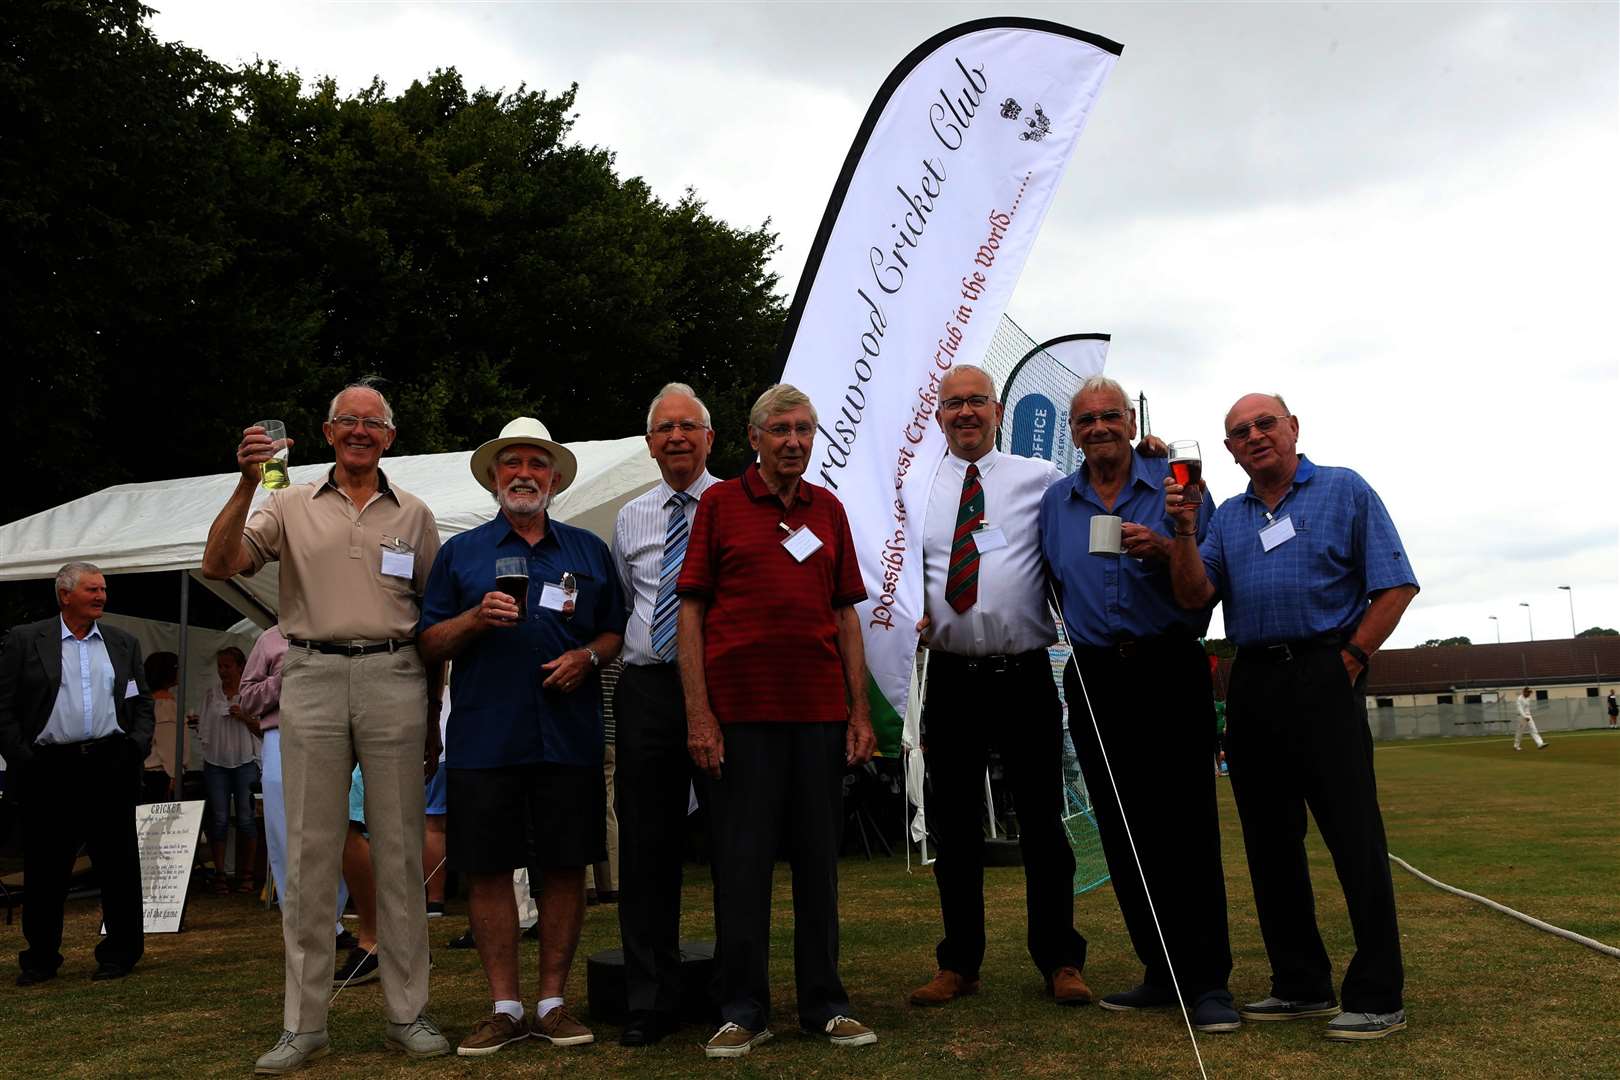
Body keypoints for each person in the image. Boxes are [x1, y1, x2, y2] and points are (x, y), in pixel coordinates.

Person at [201, 381, 448, 1071]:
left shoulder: (418, 515)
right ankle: (303, 1025)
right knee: (311, 852)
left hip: (395, 674)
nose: (361, 431)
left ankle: (410, 1012)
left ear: (391, 437)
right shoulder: (285, 501)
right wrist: (244, 484)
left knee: (400, 849)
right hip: (307, 673)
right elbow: (219, 564)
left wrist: (431, 715)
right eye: (348, 421)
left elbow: (432, 622)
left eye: (374, 423)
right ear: (328, 431)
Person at [1167, 392, 1418, 1042]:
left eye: (1264, 424)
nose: (1254, 436)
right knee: (1270, 845)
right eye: (1239, 432)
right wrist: (1186, 530)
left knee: (1353, 838)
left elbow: (1396, 584)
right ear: (1227, 451)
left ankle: (1378, 993)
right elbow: (1196, 595)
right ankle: (1301, 982)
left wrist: (1354, 657)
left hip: (1325, 671)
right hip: (1252, 680)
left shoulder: (1343, 491)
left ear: (1292, 428)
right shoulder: (1229, 519)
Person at [677, 383, 878, 1058]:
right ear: (754, 437)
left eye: (804, 430)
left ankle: (825, 1004)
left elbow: (847, 614)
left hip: (818, 718)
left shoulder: (831, 511)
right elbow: (691, 612)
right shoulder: (719, 505)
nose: (794, 441)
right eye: (781, 429)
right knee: (741, 869)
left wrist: (859, 713)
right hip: (739, 722)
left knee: (819, 867)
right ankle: (742, 1008)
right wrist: (699, 715)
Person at [418, 416, 627, 1057]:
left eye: (537, 464)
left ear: (555, 478)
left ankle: (553, 1003)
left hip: (568, 737)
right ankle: (505, 1006)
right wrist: (476, 618)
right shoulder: (462, 553)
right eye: (513, 464)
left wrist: (587, 659)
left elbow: (615, 630)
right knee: (486, 871)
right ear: (494, 477)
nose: (525, 474)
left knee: (566, 867)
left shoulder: (587, 551)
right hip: (486, 738)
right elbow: (428, 641)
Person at [1038, 375, 1237, 1033]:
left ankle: (1207, 984)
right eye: (1085, 419)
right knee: (1123, 833)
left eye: (1110, 417)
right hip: (1095, 678)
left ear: (1130, 421)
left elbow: (1197, 596)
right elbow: (1048, 584)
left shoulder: (1177, 489)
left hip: (1168, 667)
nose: (1098, 428)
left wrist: (1167, 545)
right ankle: (1160, 971)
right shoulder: (1056, 503)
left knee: (1186, 830)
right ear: (1073, 432)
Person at [907, 365, 1091, 1012]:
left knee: (1042, 821)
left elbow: (1102, 497)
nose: (965, 413)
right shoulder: (916, 486)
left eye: (976, 402)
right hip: (953, 677)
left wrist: (1148, 458)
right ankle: (960, 964)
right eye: (953, 403)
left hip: (1026, 673)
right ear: (939, 416)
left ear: (998, 410)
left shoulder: (1039, 480)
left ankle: (1061, 960)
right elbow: (898, 572)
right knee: (954, 828)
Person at [609, 381, 720, 1047]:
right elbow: (632, 599)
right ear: (649, 445)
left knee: (734, 841)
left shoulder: (737, 505)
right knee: (647, 848)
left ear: (711, 438)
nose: (676, 437)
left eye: (689, 426)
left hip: (721, 691)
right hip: (648, 689)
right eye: (664, 428)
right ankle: (649, 997)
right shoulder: (630, 517)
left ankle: (738, 988)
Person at [0, 562, 154, 985]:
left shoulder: (123, 643)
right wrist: (22, 756)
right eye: (92, 589)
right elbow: (4, 705)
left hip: (109, 764)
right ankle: (41, 959)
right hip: (49, 767)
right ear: (64, 595)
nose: (101, 596)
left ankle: (120, 954)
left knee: (118, 865)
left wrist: (135, 746)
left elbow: (140, 701)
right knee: (46, 869)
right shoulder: (26, 639)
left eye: (103, 589)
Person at [240, 625, 356, 956]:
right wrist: (285, 678)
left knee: (335, 831)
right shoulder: (271, 639)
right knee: (285, 834)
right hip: (281, 735)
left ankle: (331, 921)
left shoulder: (342, 630)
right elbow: (246, 698)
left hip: (336, 737)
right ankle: (300, 924)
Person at [194, 645, 261, 895]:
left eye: (228, 666)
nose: (223, 671)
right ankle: (220, 873)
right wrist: (198, 725)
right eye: (220, 666)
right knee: (219, 819)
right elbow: (203, 728)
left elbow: (263, 730)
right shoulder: (212, 695)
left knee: (246, 818)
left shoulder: (249, 694)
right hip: (216, 763)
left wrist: (243, 716)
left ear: (240, 667)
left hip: (245, 761)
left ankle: (248, 874)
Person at [141, 651, 184, 803]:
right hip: (160, 772)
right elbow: (168, 745)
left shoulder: (147, 700)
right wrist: (174, 774)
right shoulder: (165, 704)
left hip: (149, 771)